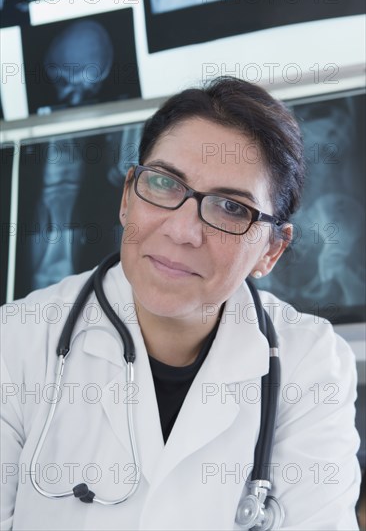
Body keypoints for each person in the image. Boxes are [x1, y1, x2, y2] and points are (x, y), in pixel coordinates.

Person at [0, 77, 361, 530]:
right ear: (127, 196)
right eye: (164, 183)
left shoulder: (309, 364)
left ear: (272, 250)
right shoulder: (16, 343)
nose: (182, 231)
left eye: (231, 208)